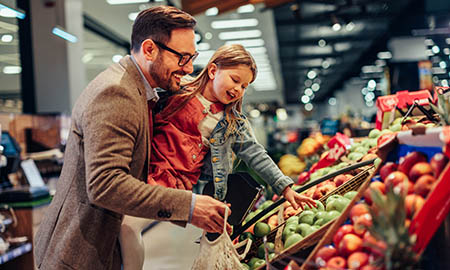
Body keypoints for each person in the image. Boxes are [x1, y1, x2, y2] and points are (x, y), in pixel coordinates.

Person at [34, 6, 231, 270]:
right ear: (149, 49)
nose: (189, 68)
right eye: (182, 58)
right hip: (80, 255)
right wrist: (190, 206)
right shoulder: (117, 93)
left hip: (102, 248)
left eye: (192, 57)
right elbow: (106, 184)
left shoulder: (141, 91)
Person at [120, 44, 316, 270]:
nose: (238, 89)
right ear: (213, 71)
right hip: (141, 169)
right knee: (120, 225)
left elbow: (256, 154)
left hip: (172, 185)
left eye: (244, 86)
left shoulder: (233, 123)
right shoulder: (177, 91)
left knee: (128, 226)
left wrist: (285, 187)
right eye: (235, 79)